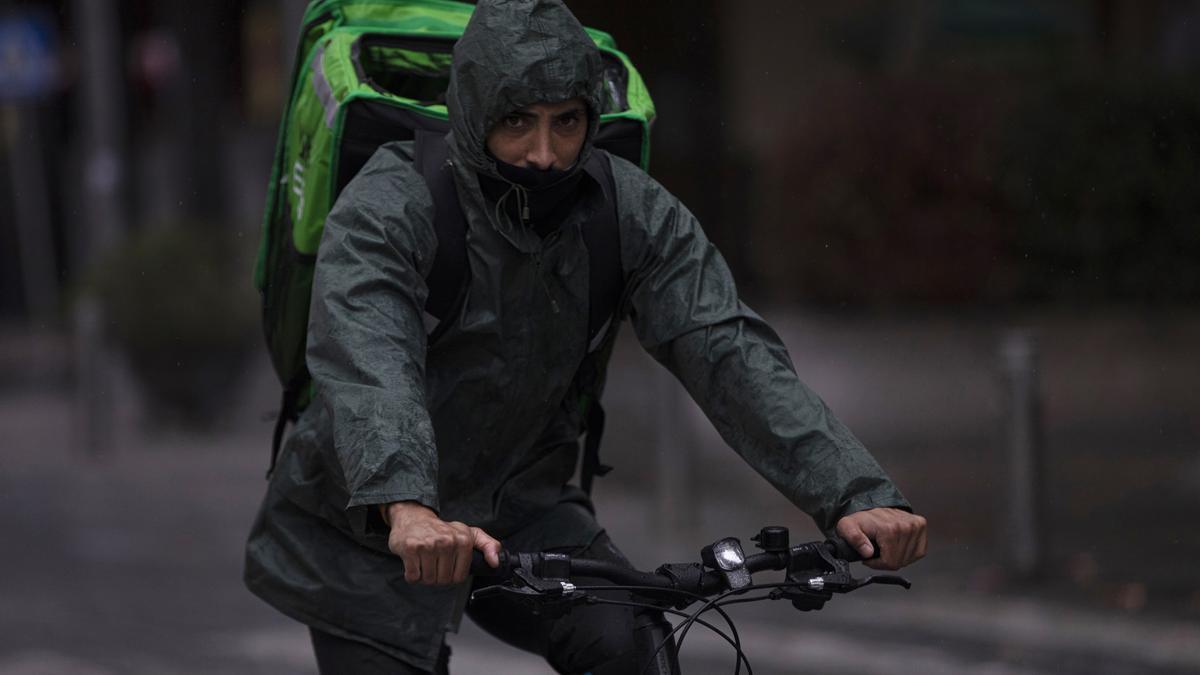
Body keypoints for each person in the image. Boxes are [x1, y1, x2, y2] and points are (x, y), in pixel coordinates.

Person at [244, 1, 927, 673]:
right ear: (476, 113)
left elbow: (727, 347)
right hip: (364, 526)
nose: (544, 154)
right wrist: (409, 506)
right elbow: (372, 359)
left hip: (524, 510)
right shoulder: (390, 205)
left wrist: (854, 490)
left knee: (630, 642)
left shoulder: (625, 209)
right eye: (517, 122)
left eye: (566, 123)